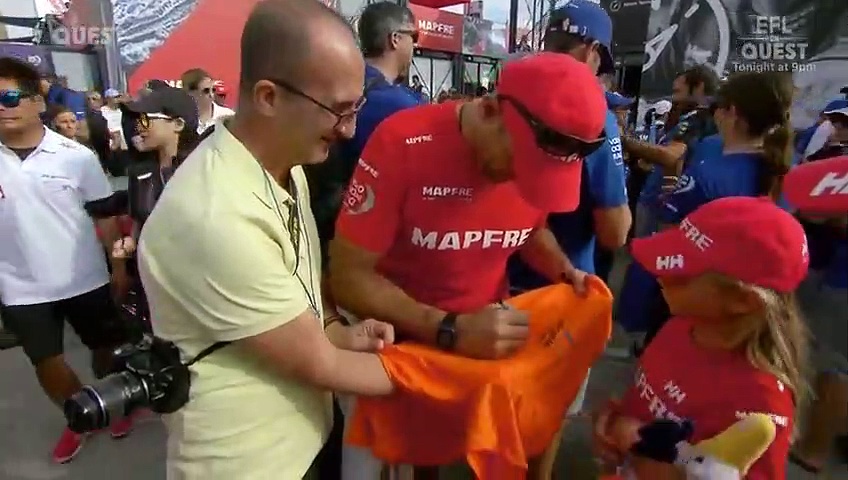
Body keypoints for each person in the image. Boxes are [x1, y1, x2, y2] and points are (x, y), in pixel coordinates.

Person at [136, 1, 396, 478]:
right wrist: (453, 374)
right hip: (249, 460)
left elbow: (300, 280)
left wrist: (336, 329)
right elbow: (319, 364)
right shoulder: (214, 212)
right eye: (337, 110)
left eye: (355, 107)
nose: (350, 129)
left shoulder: (284, 164)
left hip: (307, 432)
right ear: (269, 97)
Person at [329, 52, 607, 479]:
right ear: (490, 109)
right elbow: (347, 277)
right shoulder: (403, 143)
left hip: (476, 341)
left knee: (454, 451)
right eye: (520, 166)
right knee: (391, 460)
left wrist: (563, 269)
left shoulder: (530, 164)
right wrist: (448, 328)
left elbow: (529, 231)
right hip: (395, 341)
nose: (521, 181)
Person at [593, 196, 809, 480]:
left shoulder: (761, 404)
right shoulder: (680, 326)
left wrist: (662, 467)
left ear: (742, 301)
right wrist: (614, 421)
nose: (660, 274)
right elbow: (645, 401)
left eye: (681, 274)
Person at [508, 7, 630, 473]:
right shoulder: (595, 115)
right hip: (563, 288)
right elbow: (615, 232)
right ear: (594, 52)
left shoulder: (512, 96)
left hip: (495, 278)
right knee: (548, 408)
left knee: (498, 403)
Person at [0, 57, 131, 463]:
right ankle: (82, 417)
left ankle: (115, 403)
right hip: (20, 288)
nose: (2, 107)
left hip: (84, 278)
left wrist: (118, 267)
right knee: (47, 363)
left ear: (38, 102)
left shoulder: (76, 157)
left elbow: (105, 217)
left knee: (106, 349)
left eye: (9, 97)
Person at [306, 1, 420, 261]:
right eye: (413, 37)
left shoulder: (327, 82)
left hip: (312, 224)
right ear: (395, 39)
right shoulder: (404, 107)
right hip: (366, 246)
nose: (416, 46)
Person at [110, 87, 200, 338]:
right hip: (152, 284)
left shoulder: (204, 169)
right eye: (137, 120)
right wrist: (130, 243)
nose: (139, 126)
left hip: (195, 288)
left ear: (178, 124)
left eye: (147, 119)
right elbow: (139, 221)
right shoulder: (139, 172)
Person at [623, 65, 719, 238]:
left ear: (699, 87)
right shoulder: (698, 119)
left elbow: (671, 156)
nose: (673, 98)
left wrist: (622, 140)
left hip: (663, 206)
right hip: (663, 201)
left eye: (677, 92)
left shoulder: (700, 119)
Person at [181, 67, 234, 133]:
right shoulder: (180, 119)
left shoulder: (228, 116)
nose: (211, 95)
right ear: (190, 93)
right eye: (206, 91)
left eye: (213, 90)